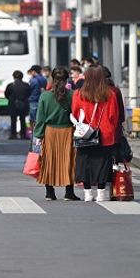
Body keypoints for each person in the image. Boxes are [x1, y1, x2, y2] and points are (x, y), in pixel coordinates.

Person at [71, 66, 120, 202]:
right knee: (103, 164)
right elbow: (114, 116)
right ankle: (101, 193)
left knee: (84, 162)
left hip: (85, 133)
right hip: (105, 133)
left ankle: (88, 193)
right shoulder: (110, 94)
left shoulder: (78, 94)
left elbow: (75, 113)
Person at [33, 67, 79, 201]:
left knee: (49, 161)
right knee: (68, 161)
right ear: (66, 80)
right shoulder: (73, 95)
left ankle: (49, 192)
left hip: (50, 132)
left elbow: (40, 118)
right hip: (68, 132)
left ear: (52, 79)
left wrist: (38, 135)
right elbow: (76, 115)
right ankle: (69, 192)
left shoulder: (45, 96)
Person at [4, 70, 30, 139]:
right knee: (22, 119)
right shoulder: (26, 85)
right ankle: (23, 134)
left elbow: (6, 94)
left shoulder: (10, 86)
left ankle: (13, 134)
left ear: (13, 77)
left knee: (13, 120)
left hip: (13, 104)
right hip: (23, 104)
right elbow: (29, 94)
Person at [27, 65, 47, 130]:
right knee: (40, 118)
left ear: (34, 71)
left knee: (33, 119)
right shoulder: (44, 79)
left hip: (33, 100)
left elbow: (29, 89)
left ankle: (34, 133)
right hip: (41, 100)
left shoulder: (33, 80)